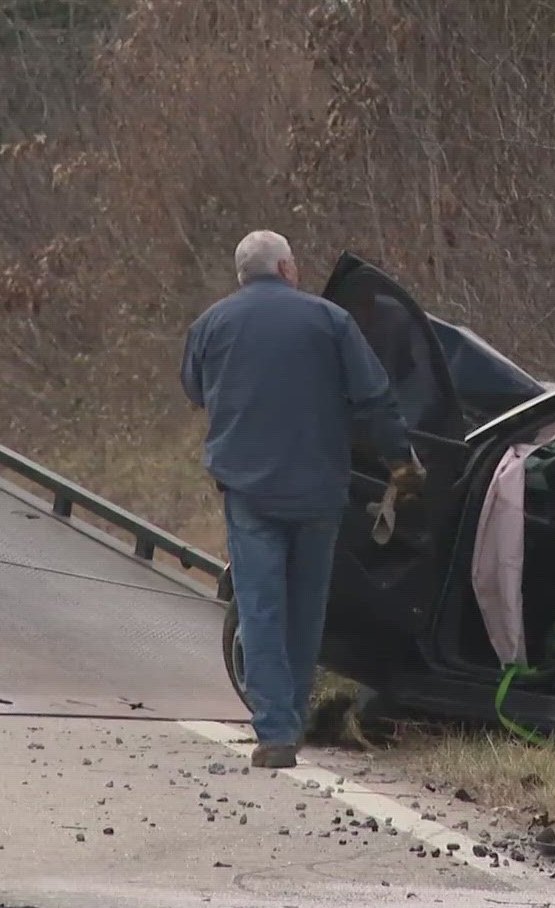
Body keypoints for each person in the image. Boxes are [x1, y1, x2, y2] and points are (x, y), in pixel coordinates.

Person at [181, 230, 425, 768]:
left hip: (249, 493)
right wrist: (400, 463)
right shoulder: (331, 321)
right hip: (317, 491)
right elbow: (374, 395)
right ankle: (289, 717)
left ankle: (277, 732)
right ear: (288, 267)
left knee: (261, 605)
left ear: (242, 274)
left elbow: (196, 390)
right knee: (305, 606)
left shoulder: (211, 325)